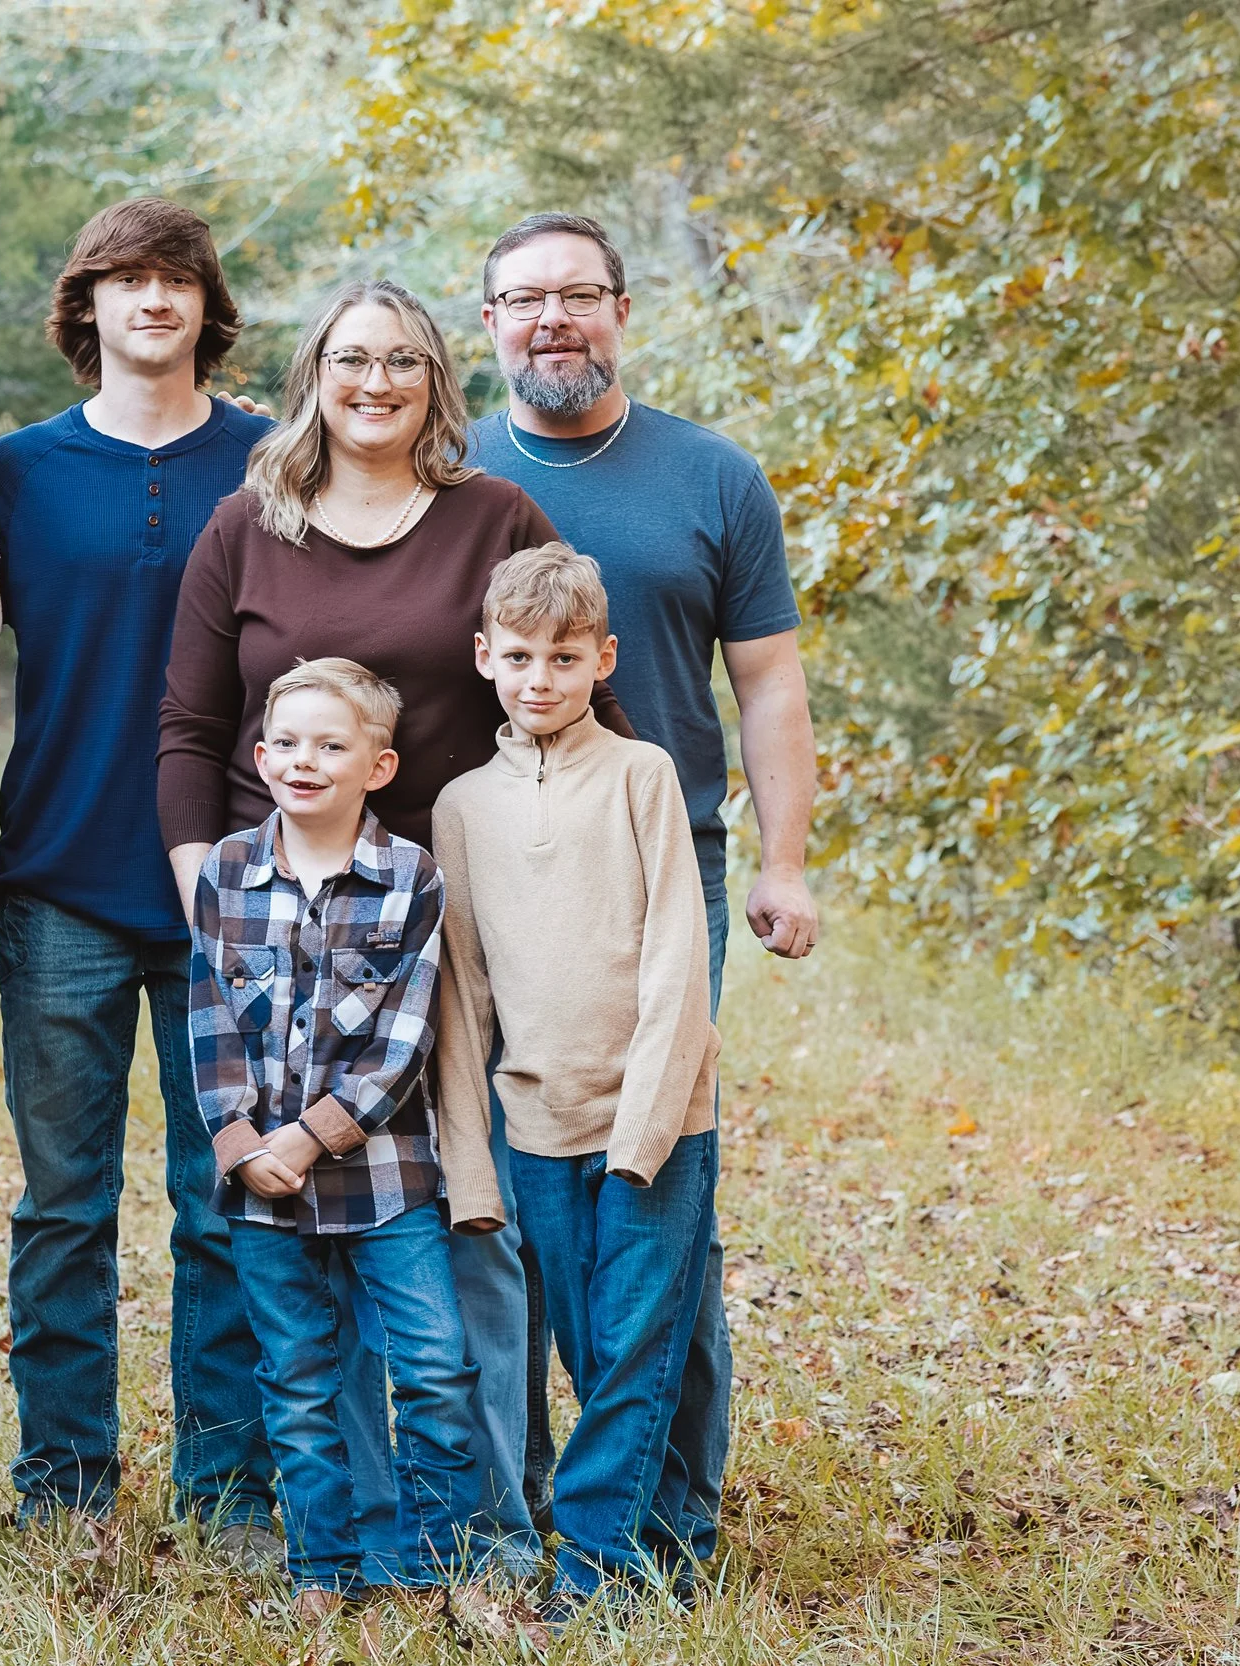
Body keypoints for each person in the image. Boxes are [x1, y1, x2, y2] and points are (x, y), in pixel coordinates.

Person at [157, 276, 629, 1568]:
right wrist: (216, 896)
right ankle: (366, 1527)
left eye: (403, 362)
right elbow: (191, 733)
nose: (375, 383)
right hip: (285, 931)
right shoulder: (248, 528)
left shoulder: (492, 516)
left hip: (465, 914)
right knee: (308, 1223)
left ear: (436, 380)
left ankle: (495, 1508)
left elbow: (572, 677)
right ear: (314, 372)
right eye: (352, 359)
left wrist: (623, 866)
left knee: (466, 1218)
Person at [468, 210, 820, 1574]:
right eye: (524, 299)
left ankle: (671, 1512)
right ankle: (538, 1491)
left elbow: (770, 680)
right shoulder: (455, 472)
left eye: (578, 295)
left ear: (621, 310)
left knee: (660, 1178)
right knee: (510, 1192)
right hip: (491, 870)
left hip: (669, 869)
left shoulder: (712, 476)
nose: (553, 318)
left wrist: (782, 857)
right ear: (488, 320)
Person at [0, 198, 280, 1547]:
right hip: (60, 884)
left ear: (207, 307)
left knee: (227, 1199)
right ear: (85, 306)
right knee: (62, 1206)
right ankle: (66, 1492)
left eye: (177, 279)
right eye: (125, 278)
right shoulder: (14, 473)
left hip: (241, 881)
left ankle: (230, 1491)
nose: (152, 299)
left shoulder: (278, 461)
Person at [188, 659, 521, 1625]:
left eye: (332, 746)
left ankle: (440, 1566)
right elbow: (206, 1022)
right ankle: (321, 1574)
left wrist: (309, 1138)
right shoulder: (224, 873)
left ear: (378, 767)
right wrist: (247, 1144)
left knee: (432, 1367)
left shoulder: (413, 878)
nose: (306, 761)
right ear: (258, 758)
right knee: (295, 1383)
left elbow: (407, 1040)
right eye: (287, 743)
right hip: (262, 1191)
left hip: (386, 1184)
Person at [431, 544, 721, 1614]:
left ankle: (593, 1572)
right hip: (533, 1124)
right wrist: (470, 1169)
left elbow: (674, 959)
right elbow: (462, 996)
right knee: (591, 1353)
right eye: (518, 655)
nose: (539, 676)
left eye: (563, 656)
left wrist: (644, 1131)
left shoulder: (642, 778)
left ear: (602, 658)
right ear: (483, 658)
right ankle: (656, 1554)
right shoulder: (461, 806)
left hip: (656, 1123)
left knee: (641, 1343)